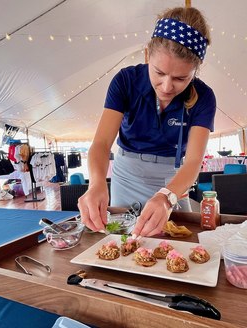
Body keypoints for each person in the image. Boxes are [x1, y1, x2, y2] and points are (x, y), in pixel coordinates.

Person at [78, 7, 216, 237]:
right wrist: (96, 183)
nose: (167, 87)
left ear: (195, 72)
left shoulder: (205, 97)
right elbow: (101, 144)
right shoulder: (125, 81)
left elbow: (193, 162)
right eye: (159, 72)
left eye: (181, 78)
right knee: (122, 240)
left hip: (173, 179)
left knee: (176, 241)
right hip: (126, 174)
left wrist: (167, 197)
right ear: (146, 56)